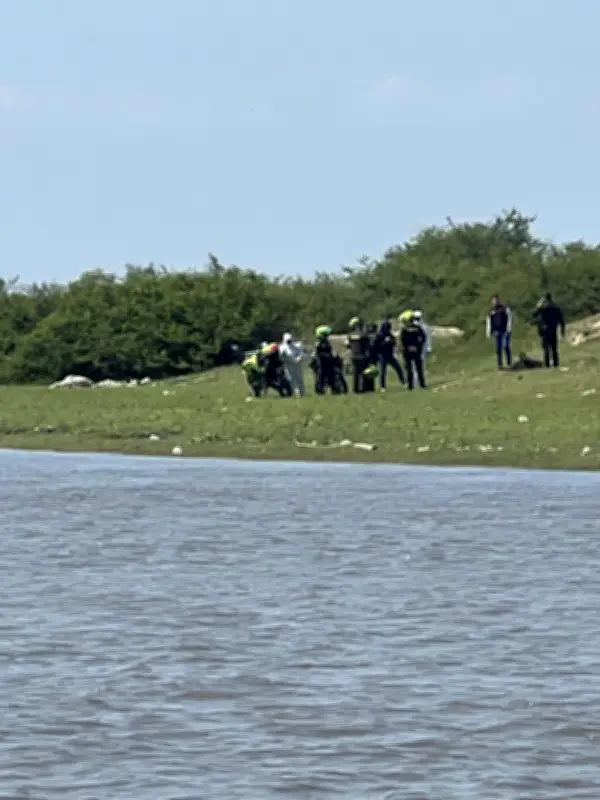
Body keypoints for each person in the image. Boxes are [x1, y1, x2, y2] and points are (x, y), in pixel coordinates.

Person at [533, 293, 565, 367]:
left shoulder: (543, 308)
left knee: (546, 348)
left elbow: (534, 314)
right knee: (554, 348)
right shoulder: (556, 308)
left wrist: (538, 304)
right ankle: (556, 364)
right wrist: (562, 332)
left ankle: (547, 364)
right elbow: (562, 321)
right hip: (553, 330)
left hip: (545, 330)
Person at [374, 318, 404, 391]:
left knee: (398, 368)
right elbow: (376, 346)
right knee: (383, 372)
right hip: (382, 355)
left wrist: (392, 341)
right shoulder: (379, 335)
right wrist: (385, 342)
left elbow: (394, 343)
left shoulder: (390, 334)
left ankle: (403, 382)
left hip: (390, 355)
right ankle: (382, 387)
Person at [400, 313, 427, 389]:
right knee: (417, 369)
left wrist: (408, 347)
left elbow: (402, 340)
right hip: (414, 350)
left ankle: (411, 386)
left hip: (409, 351)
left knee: (410, 369)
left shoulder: (405, 329)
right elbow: (423, 338)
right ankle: (421, 384)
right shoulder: (417, 328)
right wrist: (418, 346)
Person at [345, 316, 370, 393]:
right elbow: (367, 345)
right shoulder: (363, 334)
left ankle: (355, 389)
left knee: (356, 373)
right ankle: (363, 388)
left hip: (354, 356)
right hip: (362, 356)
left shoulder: (350, 335)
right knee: (363, 373)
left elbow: (348, 345)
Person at [486, 295, 512, 368]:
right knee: (498, 348)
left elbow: (509, 317)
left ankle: (509, 363)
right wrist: (488, 332)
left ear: (499, 300)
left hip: (505, 330)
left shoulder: (504, 308)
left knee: (506, 346)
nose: (495, 302)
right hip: (496, 331)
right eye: (494, 301)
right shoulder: (491, 312)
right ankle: (500, 364)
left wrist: (508, 328)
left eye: (496, 300)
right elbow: (489, 322)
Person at [279, 332, 305, 396]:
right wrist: (282, 355)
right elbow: (281, 357)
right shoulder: (282, 347)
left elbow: (301, 353)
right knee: (291, 379)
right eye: (287, 340)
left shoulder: (297, 345)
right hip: (288, 365)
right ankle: (296, 392)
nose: (289, 341)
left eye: (290, 340)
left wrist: (299, 358)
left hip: (297, 365)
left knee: (299, 378)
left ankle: (302, 392)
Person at [312, 325, 336, 394]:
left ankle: (334, 388)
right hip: (321, 363)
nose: (327, 336)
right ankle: (320, 389)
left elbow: (331, 351)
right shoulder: (318, 344)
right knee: (321, 375)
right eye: (326, 334)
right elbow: (317, 354)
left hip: (328, 362)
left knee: (331, 375)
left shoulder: (327, 343)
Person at [412, 310, 431, 381]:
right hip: (414, 349)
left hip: (422, 348)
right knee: (413, 365)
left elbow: (427, 337)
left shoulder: (424, 326)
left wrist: (429, 347)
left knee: (421, 365)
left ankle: (419, 381)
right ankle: (415, 381)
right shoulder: (412, 326)